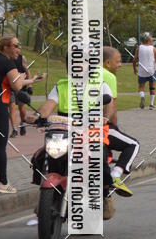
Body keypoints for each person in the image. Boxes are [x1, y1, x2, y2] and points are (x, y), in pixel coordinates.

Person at [36, 56, 117, 217]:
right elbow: (48, 106)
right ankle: (46, 198)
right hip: (65, 133)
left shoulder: (100, 85)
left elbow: (109, 106)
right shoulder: (61, 85)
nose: (77, 65)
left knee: (98, 157)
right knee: (40, 156)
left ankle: (105, 194)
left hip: (91, 133)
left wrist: (105, 118)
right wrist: (37, 116)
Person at [0, 36, 43, 193]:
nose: (19, 49)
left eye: (20, 46)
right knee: (0, 146)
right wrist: (25, 78)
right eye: (16, 45)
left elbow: (13, 82)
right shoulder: (8, 63)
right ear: (5, 47)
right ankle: (3, 183)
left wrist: (32, 80)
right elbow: (16, 86)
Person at [101, 47, 141, 194]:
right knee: (133, 144)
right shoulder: (109, 77)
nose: (121, 65)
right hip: (100, 126)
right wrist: (114, 128)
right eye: (118, 62)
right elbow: (112, 107)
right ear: (107, 62)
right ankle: (116, 175)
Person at [133, 33, 156, 109]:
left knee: (141, 87)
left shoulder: (139, 48)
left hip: (142, 70)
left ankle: (142, 96)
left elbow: (135, 59)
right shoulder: (154, 49)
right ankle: (151, 104)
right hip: (151, 70)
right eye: (151, 38)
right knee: (152, 87)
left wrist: (134, 68)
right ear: (149, 39)